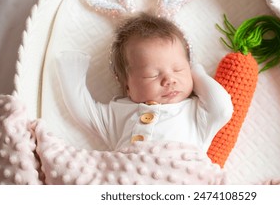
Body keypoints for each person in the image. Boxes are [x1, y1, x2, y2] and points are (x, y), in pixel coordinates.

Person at [55, 12, 233, 155]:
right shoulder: (119, 112)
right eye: (151, 75)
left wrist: (197, 73)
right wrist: (72, 72)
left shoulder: (196, 111)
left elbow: (222, 108)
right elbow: (85, 112)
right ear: (127, 86)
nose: (169, 80)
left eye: (178, 69)